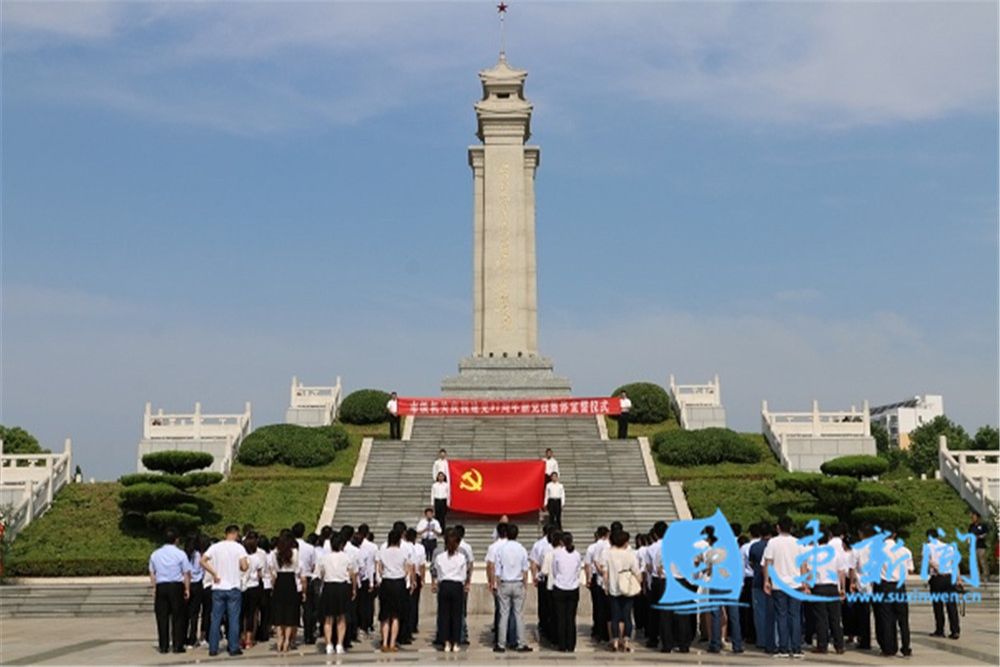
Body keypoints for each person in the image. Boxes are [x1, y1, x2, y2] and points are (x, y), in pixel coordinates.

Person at [201, 525, 249, 657]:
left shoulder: (215, 547)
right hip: (233, 586)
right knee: (233, 619)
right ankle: (233, 647)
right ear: (235, 534)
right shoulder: (239, 548)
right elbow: (244, 566)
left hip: (218, 587)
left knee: (215, 619)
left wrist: (214, 573)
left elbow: (203, 560)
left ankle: (213, 648)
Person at [762, 516, 805, 658]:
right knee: (795, 616)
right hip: (796, 584)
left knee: (781, 616)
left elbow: (768, 563)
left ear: (778, 527)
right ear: (791, 528)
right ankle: (797, 648)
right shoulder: (798, 543)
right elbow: (803, 565)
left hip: (779, 585)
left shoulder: (773, 542)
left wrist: (766, 581)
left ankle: (783, 648)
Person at [149, 529, 192, 654]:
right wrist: (187, 588)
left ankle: (163, 646)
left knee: (162, 617)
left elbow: (152, 572)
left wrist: (154, 587)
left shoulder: (155, 554)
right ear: (176, 539)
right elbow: (186, 573)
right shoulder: (180, 554)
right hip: (176, 586)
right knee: (178, 616)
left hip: (161, 586)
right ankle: (178, 645)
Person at [492, 523, 533, 653]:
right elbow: (525, 569)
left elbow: (497, 570)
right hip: (518, 582)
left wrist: (497, 584)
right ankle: (521, 643)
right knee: (519, 615)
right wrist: (525, 584)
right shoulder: (521, 549)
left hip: (504, 582)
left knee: (503, 615)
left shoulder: (501, 549)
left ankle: (501, 644)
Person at [315, 535, 357, 655]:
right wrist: (353, 589)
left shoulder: (324, 558)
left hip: (329, 587)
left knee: (328, 618)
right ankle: (339, 644)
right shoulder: (346, 557)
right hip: (342, 587)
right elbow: (352, 574)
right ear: (341, 545)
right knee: (341, 618)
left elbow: (320, 574)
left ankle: (328, 644)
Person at [806, 530, 846, 655]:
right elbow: (841, 572)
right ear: (829, 538)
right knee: (835, 617)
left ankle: (822, 645)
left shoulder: (812, 554)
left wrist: (807, 586)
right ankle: (839, 645)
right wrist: (842, 588)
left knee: (821, 618)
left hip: (819, 587)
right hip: (833, 587)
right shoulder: (835, 553)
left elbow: (808, 573)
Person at [876, 528, 913, 657]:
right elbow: (911, 569)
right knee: (903, 618)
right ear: (895, 534)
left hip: (885, 586)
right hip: (900, 586)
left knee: (887, 618)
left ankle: (889, 648)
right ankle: (906, 647)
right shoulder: (905, 550)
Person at [433, 528, 471, 653]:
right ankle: (455, 642)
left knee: (444, 615)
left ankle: (446, 642)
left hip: (444, 585)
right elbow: (464, 575)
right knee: (456, 615)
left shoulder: (439, 557)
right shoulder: (461, 558)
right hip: (456, 586)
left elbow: (438, 573)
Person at [268, 530, 305, 653]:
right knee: (290, 612)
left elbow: (272, 570)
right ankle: (287, 641)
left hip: (280, 581)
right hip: (290, 582)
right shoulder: (295, 553)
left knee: (279, 612)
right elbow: (298, 568)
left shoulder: (275, 553)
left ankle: (279, 639)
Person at [376, 528, 413, 652]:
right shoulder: (403, 552)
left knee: (385, 616)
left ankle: (385, 642)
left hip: (386, 583)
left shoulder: (383, 552)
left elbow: (379, 569)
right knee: (396, 616)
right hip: (398, 583)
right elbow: (407, 569)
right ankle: (392, 643)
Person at [604, 529, 641, 652]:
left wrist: (606, 586)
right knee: (627, 616)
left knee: (615, 616)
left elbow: (605, 572)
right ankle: (626, 640)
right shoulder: (630, 554)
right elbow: (636, 571)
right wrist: (639, 583)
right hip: (628, 588)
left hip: (614, 588)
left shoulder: (608, 553)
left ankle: (614, 640)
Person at [550, 531, 583, 652]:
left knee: (561, 618)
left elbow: (554, 570)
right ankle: (571, 644)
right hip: (573, 588)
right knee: (571, 618)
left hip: (560, 587)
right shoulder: (577, 554)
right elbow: (578, 570)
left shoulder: (558, 554)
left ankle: (562, 644)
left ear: (561, 542)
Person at [926, 529, 961, 639]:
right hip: (950, 578)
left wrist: (938, 568)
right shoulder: (949, 547)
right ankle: (955, 630)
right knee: (951, 606)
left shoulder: (928, 547)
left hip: (937, 578)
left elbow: (929, 561)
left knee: (938, 606)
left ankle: (940, 629)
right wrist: (958, 579)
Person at [749, 522, 775, 653]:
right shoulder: (774, 545)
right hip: (775, 583)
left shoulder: (755, 546)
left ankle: (762, 640)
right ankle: (775, 639)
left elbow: (752, 563)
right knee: (775, 613)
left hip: (758, 582)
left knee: (760, 613)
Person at [292, 522, 318, 648]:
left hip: (291, 577)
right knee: (308, 609)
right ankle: (308, 635)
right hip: (306, 577)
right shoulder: (310, 548)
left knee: (293, 608)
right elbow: (314, 565)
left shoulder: (288, 547)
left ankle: (291, 636)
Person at [529, 524, 556, 642]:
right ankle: (549, 627)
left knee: (543, 604)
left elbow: (534, 562)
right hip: (554, 579)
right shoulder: (557, 545)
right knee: (551, 605)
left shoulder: (538, 545)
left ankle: (544, 626)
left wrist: (535, 576)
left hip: (543, 577)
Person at [585, 526, 611, 643]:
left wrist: (588, 578)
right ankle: (606, 632)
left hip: (597, 577)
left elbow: (588, 564)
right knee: (607, 607)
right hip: (607, 576)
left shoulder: (592, 547)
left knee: (597, 606)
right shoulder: (609, 545)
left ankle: (598, 630)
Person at [240, 532, 265, 650]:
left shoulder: (241, 558)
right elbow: (260, 574)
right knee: (251, 614)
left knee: (241, 614)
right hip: (254, 587)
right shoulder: (257, 558)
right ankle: (249, 639)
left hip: (241, 587)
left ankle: (241, 637)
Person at [182, 533, 205, 649]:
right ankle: (192, 639)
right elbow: (202, 570)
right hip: (197, 585)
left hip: (185, 584)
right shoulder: (199, 555)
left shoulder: (182, 555)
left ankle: (183, 638)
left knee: (184, 613)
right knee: (194, 614)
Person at [969, 511, 989, 581]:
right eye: (972, 517)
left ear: (978, 518)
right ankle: (976, 575)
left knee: (982, 561)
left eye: (974, 517)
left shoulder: (982, 525)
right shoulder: (971, 526)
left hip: (981, 546)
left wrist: (980, 536)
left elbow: (986, 533)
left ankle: (985, 575)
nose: (973, 518)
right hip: (973, 546)